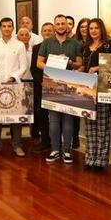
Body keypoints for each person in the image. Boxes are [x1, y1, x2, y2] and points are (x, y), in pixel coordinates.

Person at [37, 15, 83, 164]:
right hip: (52, 82)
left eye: (63, 23)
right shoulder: (47, 42)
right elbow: (39, 63)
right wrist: (53, 65)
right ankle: (55, 150)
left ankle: (67, 152)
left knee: (68, 118)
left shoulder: (75, 43)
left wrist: (68, 62)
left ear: (67, 26)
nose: (61, 26)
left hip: (69, 83)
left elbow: (80, 64)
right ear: (55, 26)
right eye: (58, 24)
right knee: (54, 119)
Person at [0, 17, 28, 157]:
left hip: (14, 85)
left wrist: (14, 77)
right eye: (4, 26)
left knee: (16, 117)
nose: (7, 28)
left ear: (13, 28)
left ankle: (17, 145)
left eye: (9, 26)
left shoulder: (19, 45)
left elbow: (23, 66)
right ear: (0, 28)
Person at [82, 18, 111, 171]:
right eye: (91, 28)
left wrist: (97, 68)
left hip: (103, 89)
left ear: (101, 29)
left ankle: (101, 160)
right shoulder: (85, 47)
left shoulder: (110, 46)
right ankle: (90, 157)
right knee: (89, 125)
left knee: (102, 125)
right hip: (87, 89)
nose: (93, 31)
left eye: (96, 28)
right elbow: (83, 66)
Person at [31, 22, 55, 152]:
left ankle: (57, 142)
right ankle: (45, 141)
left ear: (54, 31)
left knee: (57, 116)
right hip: (41, 87)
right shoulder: (36, 48)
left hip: (58, 87)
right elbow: (33, 68)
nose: (47, 33)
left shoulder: (58, 46)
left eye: (49, 30)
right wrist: (42, 81)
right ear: (41, 33)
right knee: (43, 116)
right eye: (45, 30)